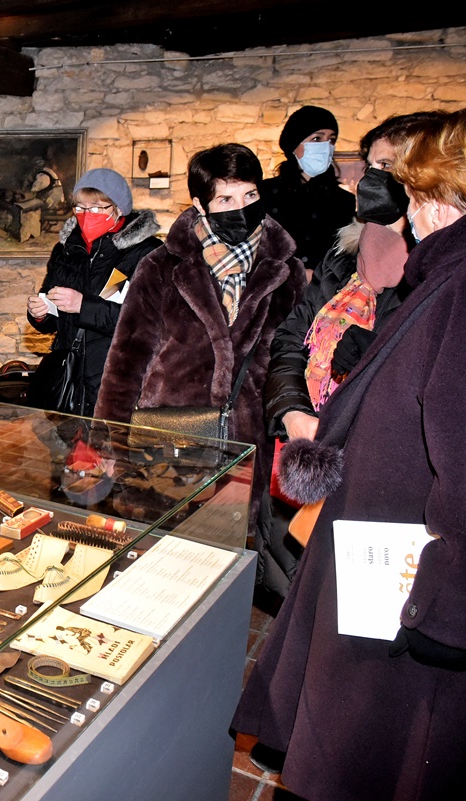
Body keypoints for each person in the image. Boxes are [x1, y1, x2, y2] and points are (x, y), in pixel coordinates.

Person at [233, 110, 466, 801]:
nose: (396, 197)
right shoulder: (362, 260)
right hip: (344, 502)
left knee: (368, 738)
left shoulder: (445, 282)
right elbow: (290, 339)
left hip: (396, 557)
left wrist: (445, 603)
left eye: (401, 177)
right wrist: (294, 410)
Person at [257, 112, 443, 600]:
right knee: (293, 590)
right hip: (305, 449)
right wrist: (292, 413)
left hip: (380, 475)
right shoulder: (342, 256)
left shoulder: (438, 272)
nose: (374, 178)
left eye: (389, 167)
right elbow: (289, 340)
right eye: (372, 165)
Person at [94, 144, 305, 527]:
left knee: (236, 550)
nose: (241, 208)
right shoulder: (162, 266)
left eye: (250, 195)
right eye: (226, 199)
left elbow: (295, 358)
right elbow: (126, 359)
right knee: (164, 547)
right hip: (169, 442)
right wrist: (110, 443)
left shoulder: (286, 271)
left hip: (249, 445)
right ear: (200, 204)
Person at [26, 168, 161, 416]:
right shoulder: (66, 250)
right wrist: (41, 314)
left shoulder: (146, 252)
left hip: (118, 376)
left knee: (111, 439)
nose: (87, 215)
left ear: (118, 208)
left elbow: (145, 323)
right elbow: (53, 317)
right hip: (70, 376)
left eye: (97, 208)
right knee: (65, 440)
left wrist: (83, 306)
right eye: (80, 208)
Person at [260, 105, 357, 271]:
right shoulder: (265, 192)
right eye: (317, 139)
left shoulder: (343, 200)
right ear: (294, 144)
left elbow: (344, 257)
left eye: (331, 140)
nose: (326, 146)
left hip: (324, 285)